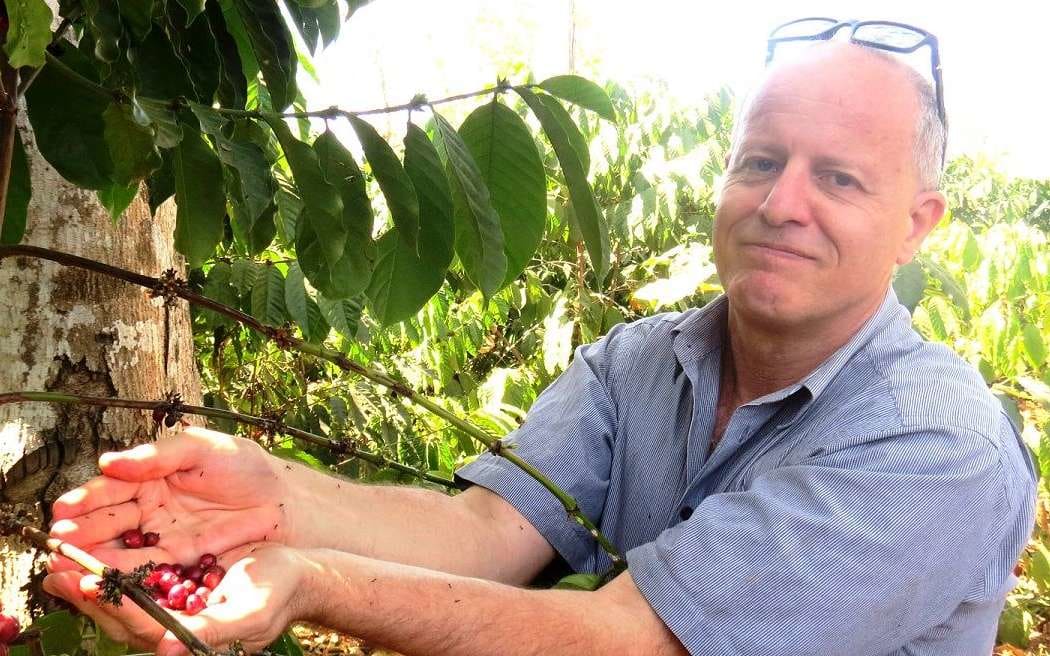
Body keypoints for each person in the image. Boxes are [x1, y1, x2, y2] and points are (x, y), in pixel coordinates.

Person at [43, 27, 1036, 656]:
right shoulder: (644, 359)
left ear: (918, 223)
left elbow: (624, 637)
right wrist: (277, 495)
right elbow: (482, 535)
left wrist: (309, 579)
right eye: (761, 161)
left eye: (841, 179)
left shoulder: (938, 444)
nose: (782, 203)